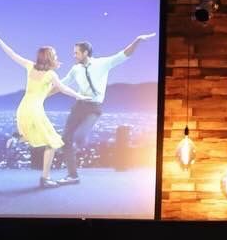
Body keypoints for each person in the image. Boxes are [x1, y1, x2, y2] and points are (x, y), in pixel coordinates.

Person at [0, 29, 90, 188]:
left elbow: (12, 53)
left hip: (22, 108)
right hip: (36, 111)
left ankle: (16, 137)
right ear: (50, 58)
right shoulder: (50, 75)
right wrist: (80, 96)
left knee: (31, 136)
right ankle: (45, 179)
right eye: (55, 56)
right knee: (52, 143)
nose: (57, 58)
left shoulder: (30, 66)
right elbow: (64, 89)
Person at [56, 33, 156, 185]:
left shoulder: (102, 63)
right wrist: (42, 92)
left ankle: (78, 146)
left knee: (79, 137)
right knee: (66, 138)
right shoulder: (75, 69)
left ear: (85, 53)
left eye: (76, 52)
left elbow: (123, 55)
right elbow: (62, 84)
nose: (74, 55)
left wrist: (137, 40)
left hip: (93, 107)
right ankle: (72, 175)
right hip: (79, 105)